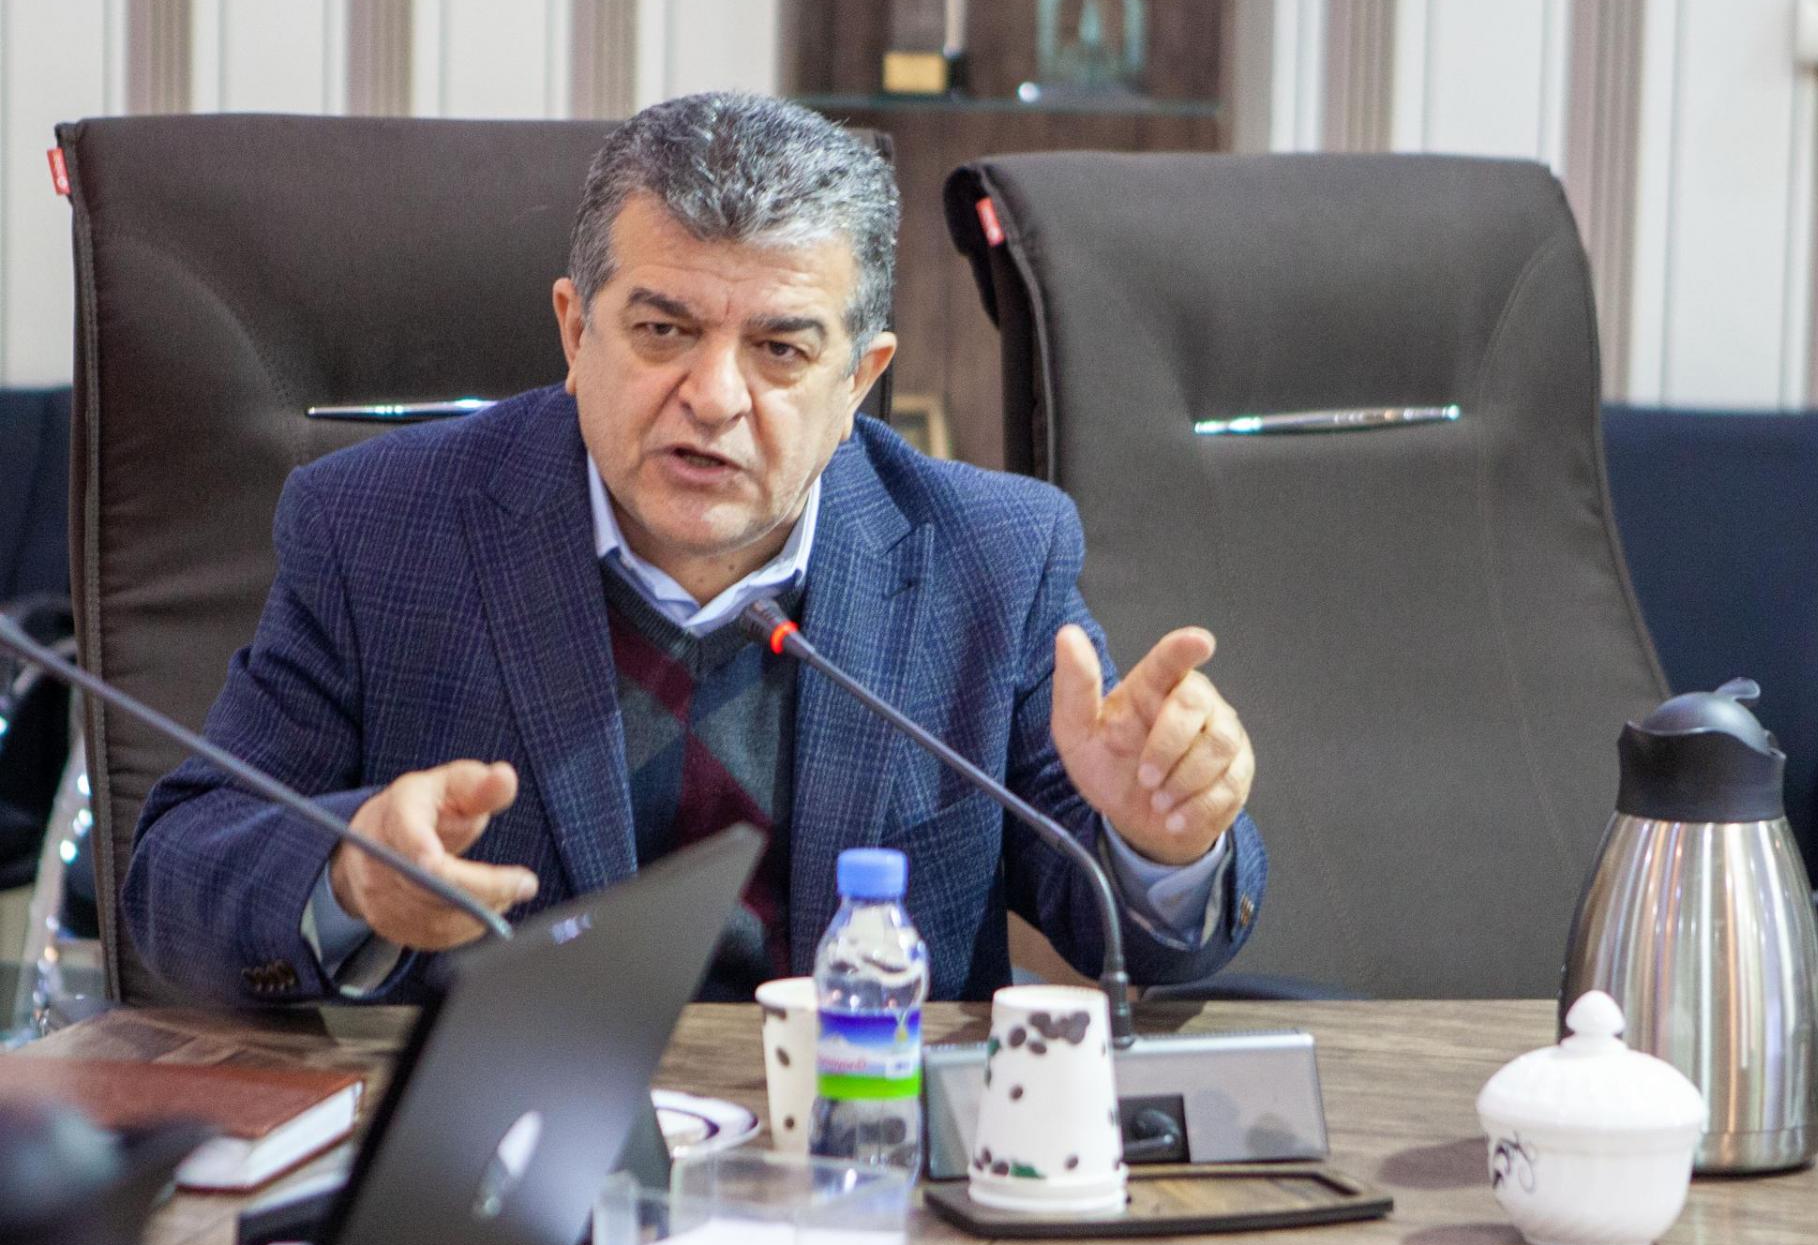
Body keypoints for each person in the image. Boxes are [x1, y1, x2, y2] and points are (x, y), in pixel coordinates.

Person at [122, 93, 1265, 1005]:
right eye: (663, 330)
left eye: (780, 349)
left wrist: (1157, 846)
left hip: (863, 1165)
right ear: (576, 331)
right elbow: (174, 879)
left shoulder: (989, 556)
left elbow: (1140, 933)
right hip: (516, 1171)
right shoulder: (378, 530)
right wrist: (347, 874)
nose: (713, 397)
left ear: (859, 380)